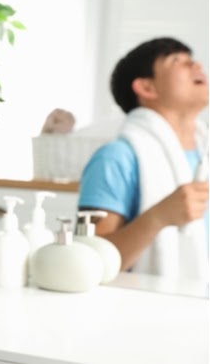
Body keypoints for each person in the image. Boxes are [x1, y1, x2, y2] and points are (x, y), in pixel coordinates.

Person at [78, 37, 209, 281]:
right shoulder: (116, 158)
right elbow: (90, 262)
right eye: (179, 61)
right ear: (147, 88)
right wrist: (158, 217)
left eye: (192, 60)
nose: (196, 66)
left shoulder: (205, 153)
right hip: (150, 310)